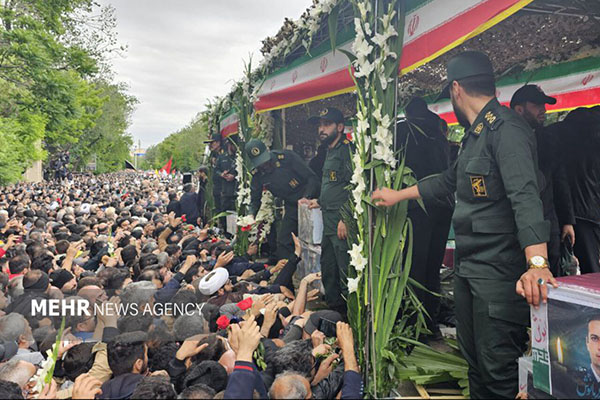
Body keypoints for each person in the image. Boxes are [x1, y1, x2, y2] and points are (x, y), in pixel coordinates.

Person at [372, 50, 555, 399]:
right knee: (475, 368)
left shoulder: (508, 130)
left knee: (498, 370)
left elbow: (525, 195)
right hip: (471, 272)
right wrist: (398, 195)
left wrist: (537, 263)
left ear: (456, 89)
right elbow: (446, 182)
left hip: (499, 275)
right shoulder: (476, 135)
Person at [396, 97, 454, 335]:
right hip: (443, 205)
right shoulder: (438, 132)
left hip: (416, 207)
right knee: (432, 267)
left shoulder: (404, 130)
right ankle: (430, 323)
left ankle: (414, 326)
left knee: (414, 268)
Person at [510, 85, 576, 275]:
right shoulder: (504, 139)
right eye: (537, 105)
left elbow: (559, 179)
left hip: (549, 221)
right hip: (515, 226)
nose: (544, 110)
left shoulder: (548, 138)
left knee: (551, 276)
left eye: (544, 105)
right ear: (519, 109)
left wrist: (567, 221)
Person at [305, 107, 353, 315]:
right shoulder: (330, 151)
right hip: (328, 218)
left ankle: (348, 315)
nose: (321, 129)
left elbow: (355, 185)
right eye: (320, 125)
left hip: (340, 221)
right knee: (329, 266)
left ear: (340, 127)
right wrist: (320, 201)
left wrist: (346, 217)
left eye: (326, 125)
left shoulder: (347, 151)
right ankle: (333, 310)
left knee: (344, 268)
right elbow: (334, 185)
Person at [245, 138, 319, 260]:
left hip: (310, 201)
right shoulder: (258, 175)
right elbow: (255, 200)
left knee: (313, 241)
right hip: (291, 205)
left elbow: (312, 178)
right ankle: (288, 273)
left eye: (265, 161)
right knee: (284, 242)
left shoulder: (286, 158)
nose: (264, 166)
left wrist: (307, 197)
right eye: (260, 164)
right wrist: (251, 215)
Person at [559, 107, 600, 274]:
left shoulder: (569, 143)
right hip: (588, 209)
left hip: (580, 213)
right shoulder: (592, 138)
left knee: (591, 269)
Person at [215, 135, 238, 217]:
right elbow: (216, 170)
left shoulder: (238, 157)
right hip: (225, 191)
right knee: (225, 214)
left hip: (236, 191)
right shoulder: (222, 157)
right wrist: (222, 174)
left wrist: (234, 176)